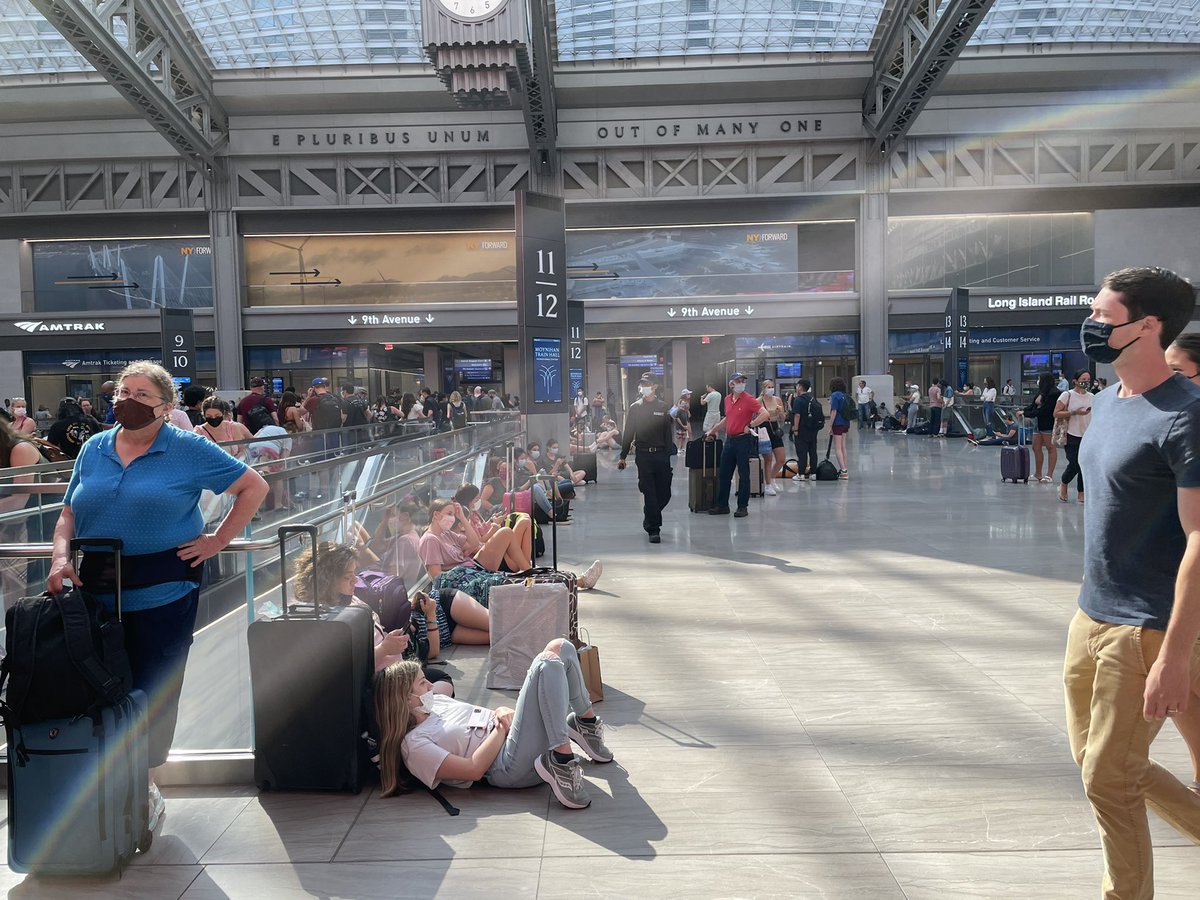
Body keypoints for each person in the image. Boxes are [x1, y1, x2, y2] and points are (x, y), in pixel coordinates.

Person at [48, 360, 268, 834]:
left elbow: (254, 486)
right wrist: (59, 558)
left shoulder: (187, 449)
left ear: (166, 408)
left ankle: (144, 784)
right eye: (122, 392)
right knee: (94, 682)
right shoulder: (94, 447)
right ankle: (98, 784)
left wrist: (216, 541)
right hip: (94, 586)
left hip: (164, 588)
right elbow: (68, 511)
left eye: (142, 395)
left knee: (151, 684)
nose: (127, 400)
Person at [1063, 266, 1200, 900]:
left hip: (1144, 627)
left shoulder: (1187, 414)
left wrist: (1175, 657)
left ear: (1148, 327)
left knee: (1108, 779)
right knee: (1105, 767)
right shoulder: (1113, 404)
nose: (1091, 326)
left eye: (1103, 316)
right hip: (1090, 615)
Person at [374, 641, 613, 809]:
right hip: (505, 766)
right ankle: (562, 763)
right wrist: (501, 728)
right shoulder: (414, 745)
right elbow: (472, 769)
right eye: (422, 683)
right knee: (546, 663)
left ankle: (586, 723)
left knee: (561, 647)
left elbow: (483, 715)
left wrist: (500, 712)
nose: (429, 686)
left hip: (511, 737)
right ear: (405, 699)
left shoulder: (437, 703)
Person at [419, 498, 531, 601]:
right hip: (465, 577)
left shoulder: (446, 534)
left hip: (473, 567)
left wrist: (462, 517)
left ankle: (529, 572)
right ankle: (529, 573)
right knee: (507, 531)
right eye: (449, 514)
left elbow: (474, 543)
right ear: (436, 515)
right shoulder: (430, 539)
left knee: (506, 532)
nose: (453, 518)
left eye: (453, 515)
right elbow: (436, 575)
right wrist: (462, 573)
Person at [617, 373, 675, 542]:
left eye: (647, 384)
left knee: (665, 493)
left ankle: (650, 513)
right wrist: (623, 456)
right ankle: (654, 529)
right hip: (643, 456)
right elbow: (628, 433)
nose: (643, 387)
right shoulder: (636, 408)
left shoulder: (664, 407)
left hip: (661, 456)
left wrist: (667, 455)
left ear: (655, 386)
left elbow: (667, 433)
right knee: (649, 492)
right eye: (641, 384)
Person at [705, 372, 770, 518]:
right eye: (738, 381)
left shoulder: (749, 399)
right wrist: (713, 430)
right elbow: (728, 418)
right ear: (731, 384)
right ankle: (722, 505)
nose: (741, 383)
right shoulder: (728, 399)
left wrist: (751, 425)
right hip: (730, 440)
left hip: (743, 440)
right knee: (724, 474)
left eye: (743, 381)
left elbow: (765, 414)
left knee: (744, 474)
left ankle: (742, 506)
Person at [1055, 370, 1093, 504]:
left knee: (1084, 464)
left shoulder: (1092, 396)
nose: (1086, 382)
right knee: (1075, 463)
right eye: (1083, 379)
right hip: (1071, 434)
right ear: (1075, 381)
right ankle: (1064, 483)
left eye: (1088, 379)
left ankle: (1081, 493)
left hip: (1087, 434)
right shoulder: (1067, 395)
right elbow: (1056, 413)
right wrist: (1075, 412)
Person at [1028, 373, 1059, 483]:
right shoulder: (1041, 392)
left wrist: (1029, 414)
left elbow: (1046, 410)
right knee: (1036, 447)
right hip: (1038, 422)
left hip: (1048, 423)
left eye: (1039, 379)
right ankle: (1038, 473)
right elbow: (1033, 405)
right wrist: (1026, 412)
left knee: (1050, 447)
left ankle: (1049, 475)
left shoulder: (1054, 393)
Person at [757, 379, 786, 495]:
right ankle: (768, 484)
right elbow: (755, 417)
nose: (770, 389)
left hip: (775, 428)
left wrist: (780, 412)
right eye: (768, 387)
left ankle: (772, 478)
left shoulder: (777, 400)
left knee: (781, 459)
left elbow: (783, 418)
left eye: (772, 387)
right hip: (763, 428)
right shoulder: (758, 401)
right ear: (763, 389)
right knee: (768, 458)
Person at [790, 379, 823, 480]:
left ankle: (801, 474)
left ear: (800, 386)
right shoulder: (813, 399)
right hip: (813, 429)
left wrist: (795, 429)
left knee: (802, 452)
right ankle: (813, 474)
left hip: (802, 429)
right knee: (813, 451)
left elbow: (797, 415)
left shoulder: (798, 400)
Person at [829, 377, 853, 478]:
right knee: (843, 447)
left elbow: (834, 411)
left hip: (837, 423)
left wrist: (830, 425)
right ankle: (845, 468)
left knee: (837, 448)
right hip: (845, 423)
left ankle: (843, 470)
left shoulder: (835, 395)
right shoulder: (845, 395)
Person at [673, 388, 692, 454]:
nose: (689, 395)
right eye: (688, 394)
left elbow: (687, 409)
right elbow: (679, 409)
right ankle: (680, 447)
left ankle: (685, 447)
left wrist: (688, 412)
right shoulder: (681, 401)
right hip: (681, 419)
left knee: (686, 433)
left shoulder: (687, 401)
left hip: (686, 418)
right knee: (681, 435)